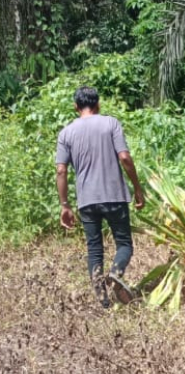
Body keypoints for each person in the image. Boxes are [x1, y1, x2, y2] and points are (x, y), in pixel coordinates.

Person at [56, 86, 145, 308]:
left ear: (76, 107)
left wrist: (65, 205)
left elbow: (61, 170)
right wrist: (137, 187)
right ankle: (116, 272)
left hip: (87, 200)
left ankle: (104, 303)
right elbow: (124, 157)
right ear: (98, 104)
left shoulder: (66, 133)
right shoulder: (111, 123)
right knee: (124, 244)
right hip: (115, 196)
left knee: (94, 249)